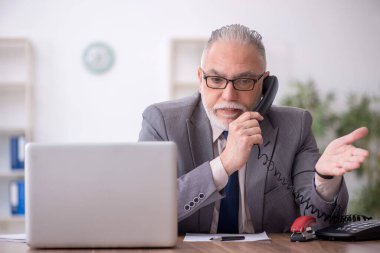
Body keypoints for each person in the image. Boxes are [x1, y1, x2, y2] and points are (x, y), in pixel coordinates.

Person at [138, 24, 369, 234]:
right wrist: (224, 164)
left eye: (245, 81)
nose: (229, 95)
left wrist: (325, 179)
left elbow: (320, 223)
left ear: (265, 85)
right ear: (200, 78)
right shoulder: (162, 122)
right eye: (216, 80)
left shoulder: (295, 127)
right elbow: (148, 208)